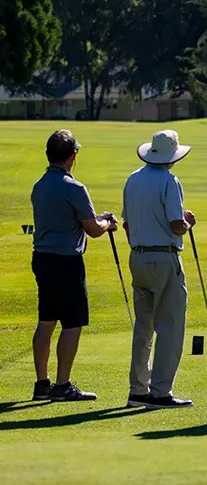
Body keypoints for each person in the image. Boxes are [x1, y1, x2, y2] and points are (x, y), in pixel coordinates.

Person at [30, 129, 118, 402]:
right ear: (72, 156)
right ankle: (62, 385)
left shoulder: (39, 185)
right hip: (66, 261)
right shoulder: (75, 188)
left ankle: (42, 383)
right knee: (72, 324)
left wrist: (96, 219)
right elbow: (92, 229)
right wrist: (108, 223)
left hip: (43, 258)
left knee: (46, 321)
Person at [121, 130, 196, 409]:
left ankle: (138, 390)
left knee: (144, 326)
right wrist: (188, 223)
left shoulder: (133, 179)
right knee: (170, 326)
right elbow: (177, 223)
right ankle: (160, 392)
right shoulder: (169, 181)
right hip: (163, 258)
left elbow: (127, 224)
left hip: (138, 257)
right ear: (172, 157)